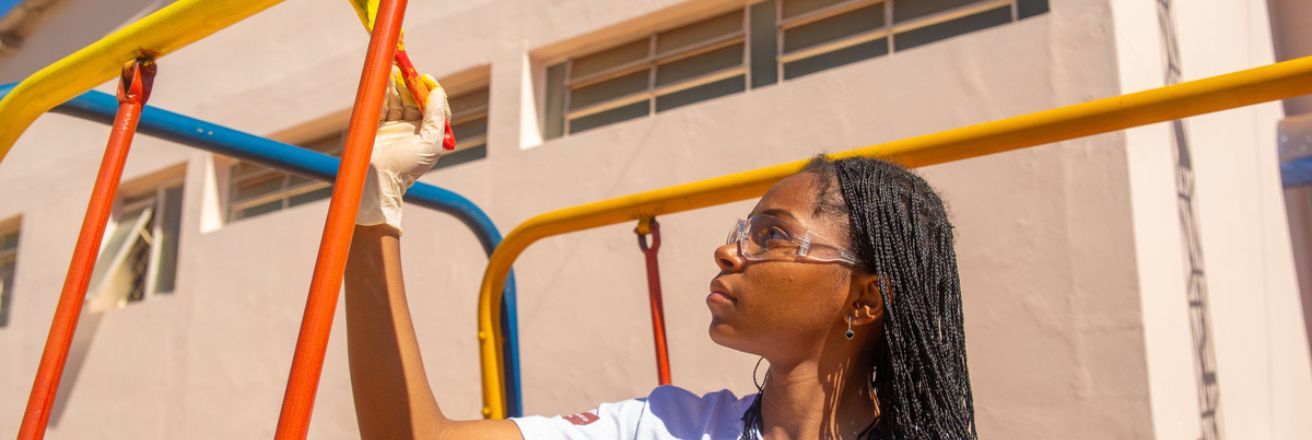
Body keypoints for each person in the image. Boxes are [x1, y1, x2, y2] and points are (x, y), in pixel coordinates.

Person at [345, 75, 978, 439]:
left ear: (865, 298)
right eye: (744, 228)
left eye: (773, 234)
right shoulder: (665, 427)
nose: (729, 250)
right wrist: (373, 207)